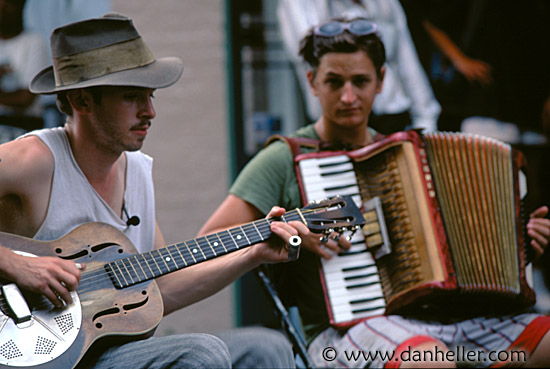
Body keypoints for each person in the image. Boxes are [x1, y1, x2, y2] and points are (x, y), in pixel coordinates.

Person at [199, 18, 550, 367]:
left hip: (446, 323)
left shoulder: (408, 158)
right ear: (312, 82)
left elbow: (467, 254)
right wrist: (289, 236)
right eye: (334, 82)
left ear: (381, 81)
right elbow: (210, 242)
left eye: (360, 81)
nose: (348, 96)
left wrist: (520, 247)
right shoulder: (283, 158)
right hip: (340, 337)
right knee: (430, 361)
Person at [0, 13, 297, 368]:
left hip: (105, 350)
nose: (150, 112)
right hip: (27, 351)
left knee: (268, 348)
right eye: (132, 97)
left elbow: (162, 289)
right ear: (82, 101)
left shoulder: (137, 170)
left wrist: (251, 254)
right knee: (202, 354)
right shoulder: (35, 160)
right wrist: (16, 264)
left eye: (151, 96)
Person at [277, 0, 441, 134]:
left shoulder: (386, 4)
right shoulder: (301, 4)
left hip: (391, 116)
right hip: (336, 119)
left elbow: (407, 62)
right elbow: (309, 52)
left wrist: (426, 117)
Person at [0, 0, 49, 143]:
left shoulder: (34, 42)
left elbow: (25, 98)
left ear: (20, 8)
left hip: (23, 125)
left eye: (7, 7)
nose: (2, 13)